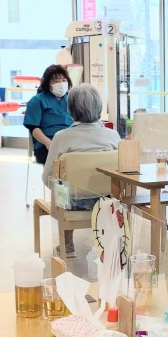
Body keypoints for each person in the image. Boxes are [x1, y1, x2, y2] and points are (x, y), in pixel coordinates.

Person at [41, 83, 120, 257]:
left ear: (70, 109)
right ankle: (108, 243)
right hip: (107, 201)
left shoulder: (61, 137)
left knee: (61, 187)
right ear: (99, 107)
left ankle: (67, 243)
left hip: (72, 203)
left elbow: (47, 177)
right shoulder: (113, 136)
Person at [23, 64, 74, 165]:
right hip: (46, 145)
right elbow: (33, 128)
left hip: (71, 142)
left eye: (64, 80)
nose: (61, 83)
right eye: (56, 81)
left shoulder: (72, 99)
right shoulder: (37, 100)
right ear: (47, 83)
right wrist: (48, 143)